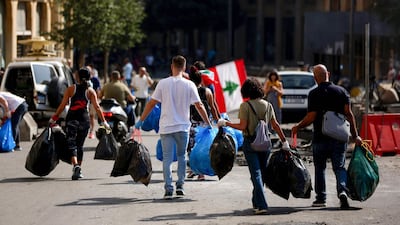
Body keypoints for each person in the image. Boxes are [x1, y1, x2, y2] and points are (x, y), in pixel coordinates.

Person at [135, 55, 212, 199]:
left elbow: (151, 104)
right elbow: (199, 105)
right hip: (183, 127)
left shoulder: (163, 83)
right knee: (182, 156)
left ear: (172, 66)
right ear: (184, 67)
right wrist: (208, 122)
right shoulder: (190, 85)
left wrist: (141, 120)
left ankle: (168, 188)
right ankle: (180, 186)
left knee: (167, 158)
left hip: (166, 127)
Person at [291, 64, 363, 209]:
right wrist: (355, 136)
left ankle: (321, 198)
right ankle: (342, 191)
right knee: (340, 167)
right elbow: (349, 114)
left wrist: (298, 126)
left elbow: (311, 116)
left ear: (315, 77)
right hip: (339, 137)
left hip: (320, 137)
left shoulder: (314, 93)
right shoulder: (342, 91)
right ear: (328, 74)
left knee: (320, 168)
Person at [217, 77, 290, 215]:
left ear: (246, 91)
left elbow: (242, 126)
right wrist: (284, 142)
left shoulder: (245, 106)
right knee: (260, 174)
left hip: (250, 143)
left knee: (256, 174)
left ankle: (262, 205)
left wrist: (226, 123)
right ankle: (256, 202)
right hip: (266, 143)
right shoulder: (268, 105)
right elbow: (275, 125)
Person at [49, 68, 109, 180]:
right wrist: (104, 122)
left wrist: (54, 118)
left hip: (72, 119)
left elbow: (62, 106)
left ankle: (76, 165)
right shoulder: (91, 91)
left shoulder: (71, 89)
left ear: (77, 77)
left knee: (71, 142)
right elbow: (97, 107)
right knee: (79, 145)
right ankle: (78, 169)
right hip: (84, 120)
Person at [186, 65, 220, 181]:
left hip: (191, 124)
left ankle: (192, 170)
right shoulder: (208, 91)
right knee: (203, 148)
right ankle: (200, 173)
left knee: (191, 147)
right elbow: (213, 107)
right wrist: (218, 121)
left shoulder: (188, 92)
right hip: (205, 124)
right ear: (201, 80)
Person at [87, 64, 101, 139]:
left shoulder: (95, 80)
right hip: (84, 101)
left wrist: (97, 100)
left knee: (91, 116)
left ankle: (91, 131)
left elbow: (98, 90)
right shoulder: (82, 80)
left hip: (92, 101)